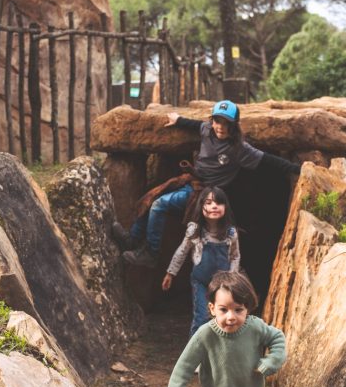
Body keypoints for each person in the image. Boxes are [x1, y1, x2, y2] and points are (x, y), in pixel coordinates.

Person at [117, 99, 300, 268]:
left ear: (234, 125)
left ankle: (151, 253)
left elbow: (269, 160)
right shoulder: (207, 130)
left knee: (159, 205)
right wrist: (178, 120)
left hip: (206, 194)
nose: (220, 127)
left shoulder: (239, 149)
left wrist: (296, 168)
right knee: (152, 197)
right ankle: (131, 240)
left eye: (226, 123)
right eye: (217, 121)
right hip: (191, 181)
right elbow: (196, 125)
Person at [162, 187, 241, 336]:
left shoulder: (231, 232)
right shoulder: (195, 230)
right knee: (201, 318)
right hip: (201, 282)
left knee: (221, 318)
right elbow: (182, 251)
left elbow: (235, 256)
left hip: (223, 284)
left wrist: (233, 277)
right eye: (209, 202)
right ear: (201, 206)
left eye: (219, 203)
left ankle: (216, 354)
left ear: (226, 207)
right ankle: (195, 354)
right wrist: (170, 273)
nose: (214, 206)